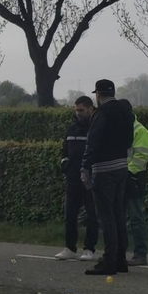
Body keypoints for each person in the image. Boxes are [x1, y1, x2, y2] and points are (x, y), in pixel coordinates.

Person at [81, 79, 135, 276]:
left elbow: (93, 140)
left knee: (106, 217)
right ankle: (121, 259)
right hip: (122, 165)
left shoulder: (102, 113)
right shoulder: (125, 110)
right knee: (119, 214)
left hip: (104, 169)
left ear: (98, 95)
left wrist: (85, 166)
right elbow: (130, 139)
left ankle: (109, 261)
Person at [55, 96, 99, 261]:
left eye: (81, 110)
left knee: (91, 215)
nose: (78, 113)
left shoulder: (95, 128)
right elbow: (64, 151)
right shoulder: (71, 129)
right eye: (76, 110)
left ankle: (89, 248)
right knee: (70, 214)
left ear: (90, 109)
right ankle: (70, 247)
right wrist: (65, 164)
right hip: (73, 178)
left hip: (90, 179)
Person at [120, 100, 148, 266]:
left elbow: (142, 156)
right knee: (119, 218)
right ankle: (120, 252)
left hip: (133, 179)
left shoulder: (140, 130)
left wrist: (126, 172)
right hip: (121, 177)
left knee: (135, 218)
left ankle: (140, 253)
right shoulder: (122, 129)